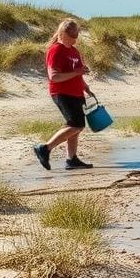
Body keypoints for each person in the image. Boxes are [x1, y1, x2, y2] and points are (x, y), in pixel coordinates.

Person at [33, 18, 95, 171]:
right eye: (72, 35)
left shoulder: (74, 51)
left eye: (77, 34)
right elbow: (54, 76)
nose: (75, 38)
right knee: (76, 124)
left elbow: (78, 74)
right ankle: (45, 148)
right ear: (62, 33)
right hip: (62, 92)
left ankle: (71, 159)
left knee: (76, 126)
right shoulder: (56, 49)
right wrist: (76, 72)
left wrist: (86, 87)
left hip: (76, 92)